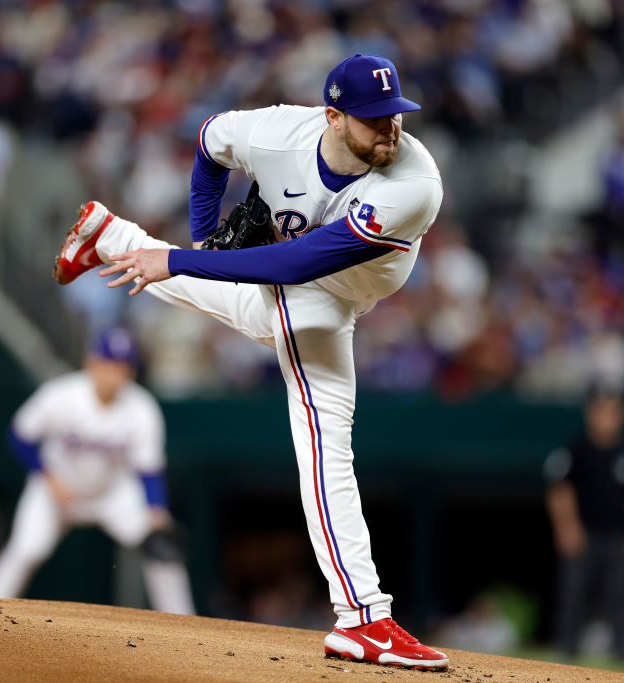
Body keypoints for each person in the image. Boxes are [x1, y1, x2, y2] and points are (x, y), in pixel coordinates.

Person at [53, 53, 448, 669]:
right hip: (315, 303)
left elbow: (295, 261)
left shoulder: (413, 183)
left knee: (254, 314)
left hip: (318, 276)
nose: (390, 130)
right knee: (326, 445)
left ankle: (115, 239)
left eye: (394, 116)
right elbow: (211, 142)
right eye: (373, 119)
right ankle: (363, 617)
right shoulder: (277, 131)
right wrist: (205, 238)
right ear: (333, 116)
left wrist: (179, 259)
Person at [0, 327, 195, 616]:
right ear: (91, 362)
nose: (114, 373)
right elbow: (20, 435)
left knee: (160, 549)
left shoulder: (142, 407)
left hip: (111, 493)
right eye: (108, 363)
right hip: (56, 489)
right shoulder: (60, 394)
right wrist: (47, 476)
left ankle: (186, 625)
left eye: (122, 366)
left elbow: (149, 470)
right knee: (27, 549)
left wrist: (156, 511)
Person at [543, 386, 624, 662]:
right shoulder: (576, 445)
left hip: (618, 534)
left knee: (620, 595)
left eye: (614, 411)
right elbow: (559, 489)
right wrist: (567, 528)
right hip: (584, 534)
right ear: (590, 412)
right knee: (574, 593)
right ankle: (567, 649)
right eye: (602, 410)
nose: (608, 417)